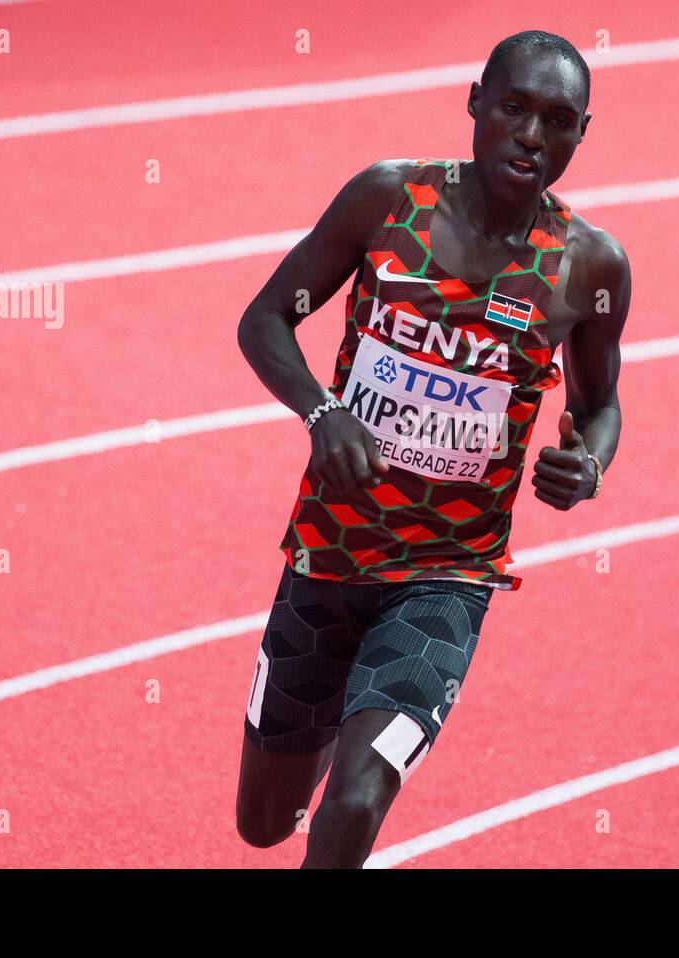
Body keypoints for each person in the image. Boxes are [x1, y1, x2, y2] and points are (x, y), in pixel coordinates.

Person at [235, 29, 631, 868]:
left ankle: (365, 725)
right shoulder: (386, 202)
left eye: (557, 121)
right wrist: (320, 415)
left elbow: (601, 409)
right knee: (265, 822)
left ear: (581, 135)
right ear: (475, 102)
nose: (531, 136)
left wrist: (588, 465)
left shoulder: (589, 266)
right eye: (515, 109)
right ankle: (331, 708)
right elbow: (265, 317)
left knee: (357, 798)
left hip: (446, 577)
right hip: (328, 551)